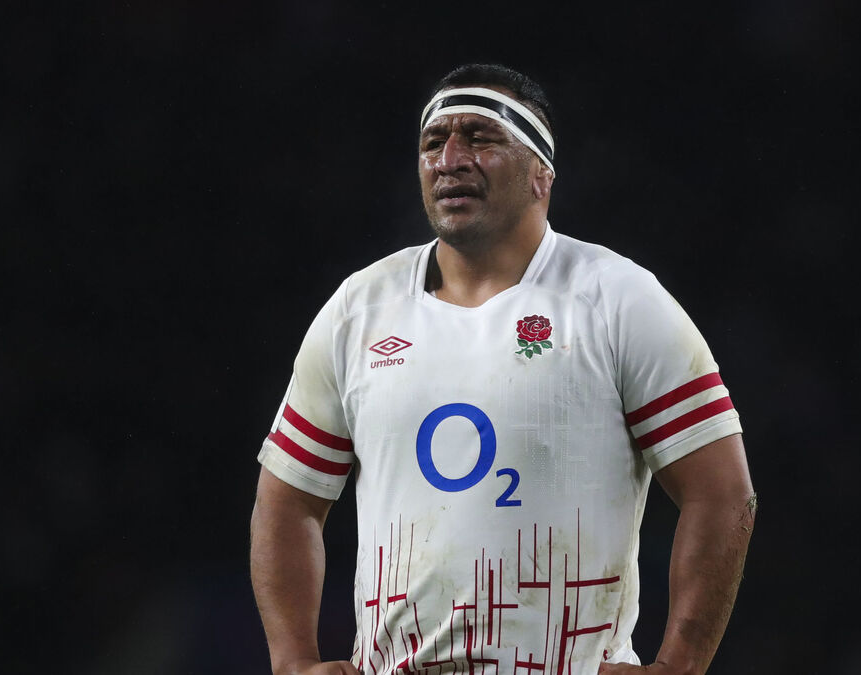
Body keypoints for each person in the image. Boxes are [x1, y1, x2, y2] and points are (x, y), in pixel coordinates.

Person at [250, 63, 756, 675]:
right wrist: (292, 661)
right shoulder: (360, 308)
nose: (449, 160)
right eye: (434, 142)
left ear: (541, 172)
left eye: (480, 138)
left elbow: (722, 492)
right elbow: (287, 501)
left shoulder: (617, 298)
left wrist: (680, 666)